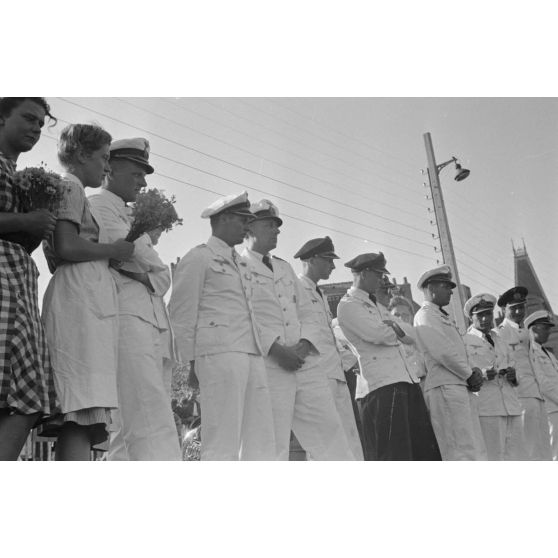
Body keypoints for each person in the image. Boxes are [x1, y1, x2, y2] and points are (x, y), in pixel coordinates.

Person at [41, 123, 134, 460]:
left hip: (86, 300)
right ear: (81, 155)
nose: (107, 167)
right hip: (78, 303)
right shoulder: (71, 187)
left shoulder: (73, 190)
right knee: (80, 406)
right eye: (103, 158)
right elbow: (65, 246)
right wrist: (113, 250)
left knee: (82, 414)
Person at [89, 138, 181, 461]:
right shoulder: (99, 205)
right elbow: (135, 256)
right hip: (128, 320)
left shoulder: (127, 215)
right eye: (136, 174)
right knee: (149, 420)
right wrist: (147, 270)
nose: (143, 183)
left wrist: (145, 271)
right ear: (109, 169)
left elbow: (162, 275)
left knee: (130, 430)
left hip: (151, 323)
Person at [241, 200, 354, 460]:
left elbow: (307, 313)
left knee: (332, 438)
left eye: (277, 226)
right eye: (269, 225)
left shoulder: (284, 267)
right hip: (269, 365)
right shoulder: (239, 266)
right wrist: (276, 350)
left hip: (305, 364)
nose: (277, 230)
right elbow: (244, 316)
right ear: (249, 226)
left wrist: (303, 346)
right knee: (270, 446)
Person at [169, 191, 276, 460]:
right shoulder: (198, 258)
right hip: (219, 355)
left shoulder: (241, 263)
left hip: (252, 353)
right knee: (222, 438)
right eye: (242, 220)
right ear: (225, 218)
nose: (246, 227)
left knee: (260, 437)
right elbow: (181, 315)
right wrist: (190, 365)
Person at [0, 97, 59, 460]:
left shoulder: (18, 175)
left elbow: (25, 238)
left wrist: (37, 223)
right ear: (2, 117)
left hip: (19, 284)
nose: (36, 128)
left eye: (41, 123)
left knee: (28, 395)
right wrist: (24, 221)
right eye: (28, 118)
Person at [337, 252, 440, 460]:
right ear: (364, 274)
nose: (381, 280)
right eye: (378, 275)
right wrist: (396, 330)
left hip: (405, 381)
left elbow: (411, 334)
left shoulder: (378, 306)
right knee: (394, 454)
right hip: (380, 386)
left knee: (422, 452)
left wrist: (394, 328)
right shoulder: (348, 305)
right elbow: (375, 334)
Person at [294, 236, 363, 460]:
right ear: (312, 259)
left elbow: (328, 336)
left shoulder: (319, 293)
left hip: (335, 373)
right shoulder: (296, 288)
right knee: (326, 445)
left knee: (347, 440)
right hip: (316, 375)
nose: (333, 266)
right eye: (328, 260)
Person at [413, 265, 486, 460]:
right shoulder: (425, 315)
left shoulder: (442, 316)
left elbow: (457, 349)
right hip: (445, 387)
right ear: (431, 289)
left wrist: (473, 370)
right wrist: (469, 374)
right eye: (446, 286)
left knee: (472, 446)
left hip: (459, 385)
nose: (451, 291)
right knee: (458, 450)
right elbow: (442, 352)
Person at [462, 293, 525, 460]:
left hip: (511, 405)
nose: (485, 319)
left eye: (488, 313)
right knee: (493, 457)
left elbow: (515, 365)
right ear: (471, 318)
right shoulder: (465, 342)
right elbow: (464, 374)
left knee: (518, 458)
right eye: (480, 315)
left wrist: (513, 374)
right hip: (487, 408)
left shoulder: (499, 339)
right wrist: (482, 374)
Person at [496, 287, 551, 460]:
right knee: (528, 449)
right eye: (514, 308)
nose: (519, 311)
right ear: (504, 310)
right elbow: (502, 364)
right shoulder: (501, 333)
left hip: (537, 394)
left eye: (521, 307)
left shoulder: (526, 332)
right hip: (520, 396)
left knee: (544, 448)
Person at [524, 310, 558, 460]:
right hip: (549, 408)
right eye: (545, 328)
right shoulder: (531, 351)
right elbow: (542, 382)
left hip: (555, 407)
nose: (549, 332)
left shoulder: (548, 353)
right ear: (533, 328)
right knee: (552, 450)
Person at [388, 295, 427, 387]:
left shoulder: (422, 336)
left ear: (412, 317)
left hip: (424, 384)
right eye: (396, 315)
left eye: (405, 315)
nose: (400, 319)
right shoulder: (387, 341)